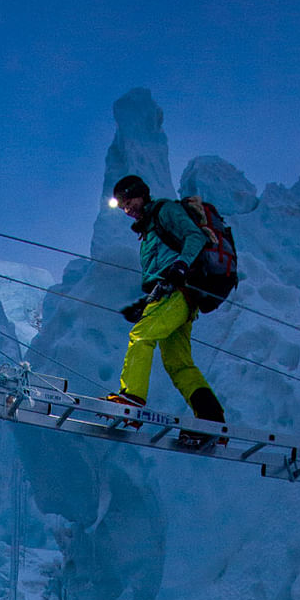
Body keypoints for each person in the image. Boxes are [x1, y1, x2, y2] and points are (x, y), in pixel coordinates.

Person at [107, 174, 226, 445]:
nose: (128, 209)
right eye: (123, 206)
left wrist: (181, 266)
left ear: (142, 194)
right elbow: (159, 272)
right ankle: (211, 418)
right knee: (178, 363)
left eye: (130, 201)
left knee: (141, 336)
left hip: (179, 291)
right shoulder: (148, 231)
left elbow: (194, 237)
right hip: (171, 295)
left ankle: (131, 398)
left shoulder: (165, 211)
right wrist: (143, 303)